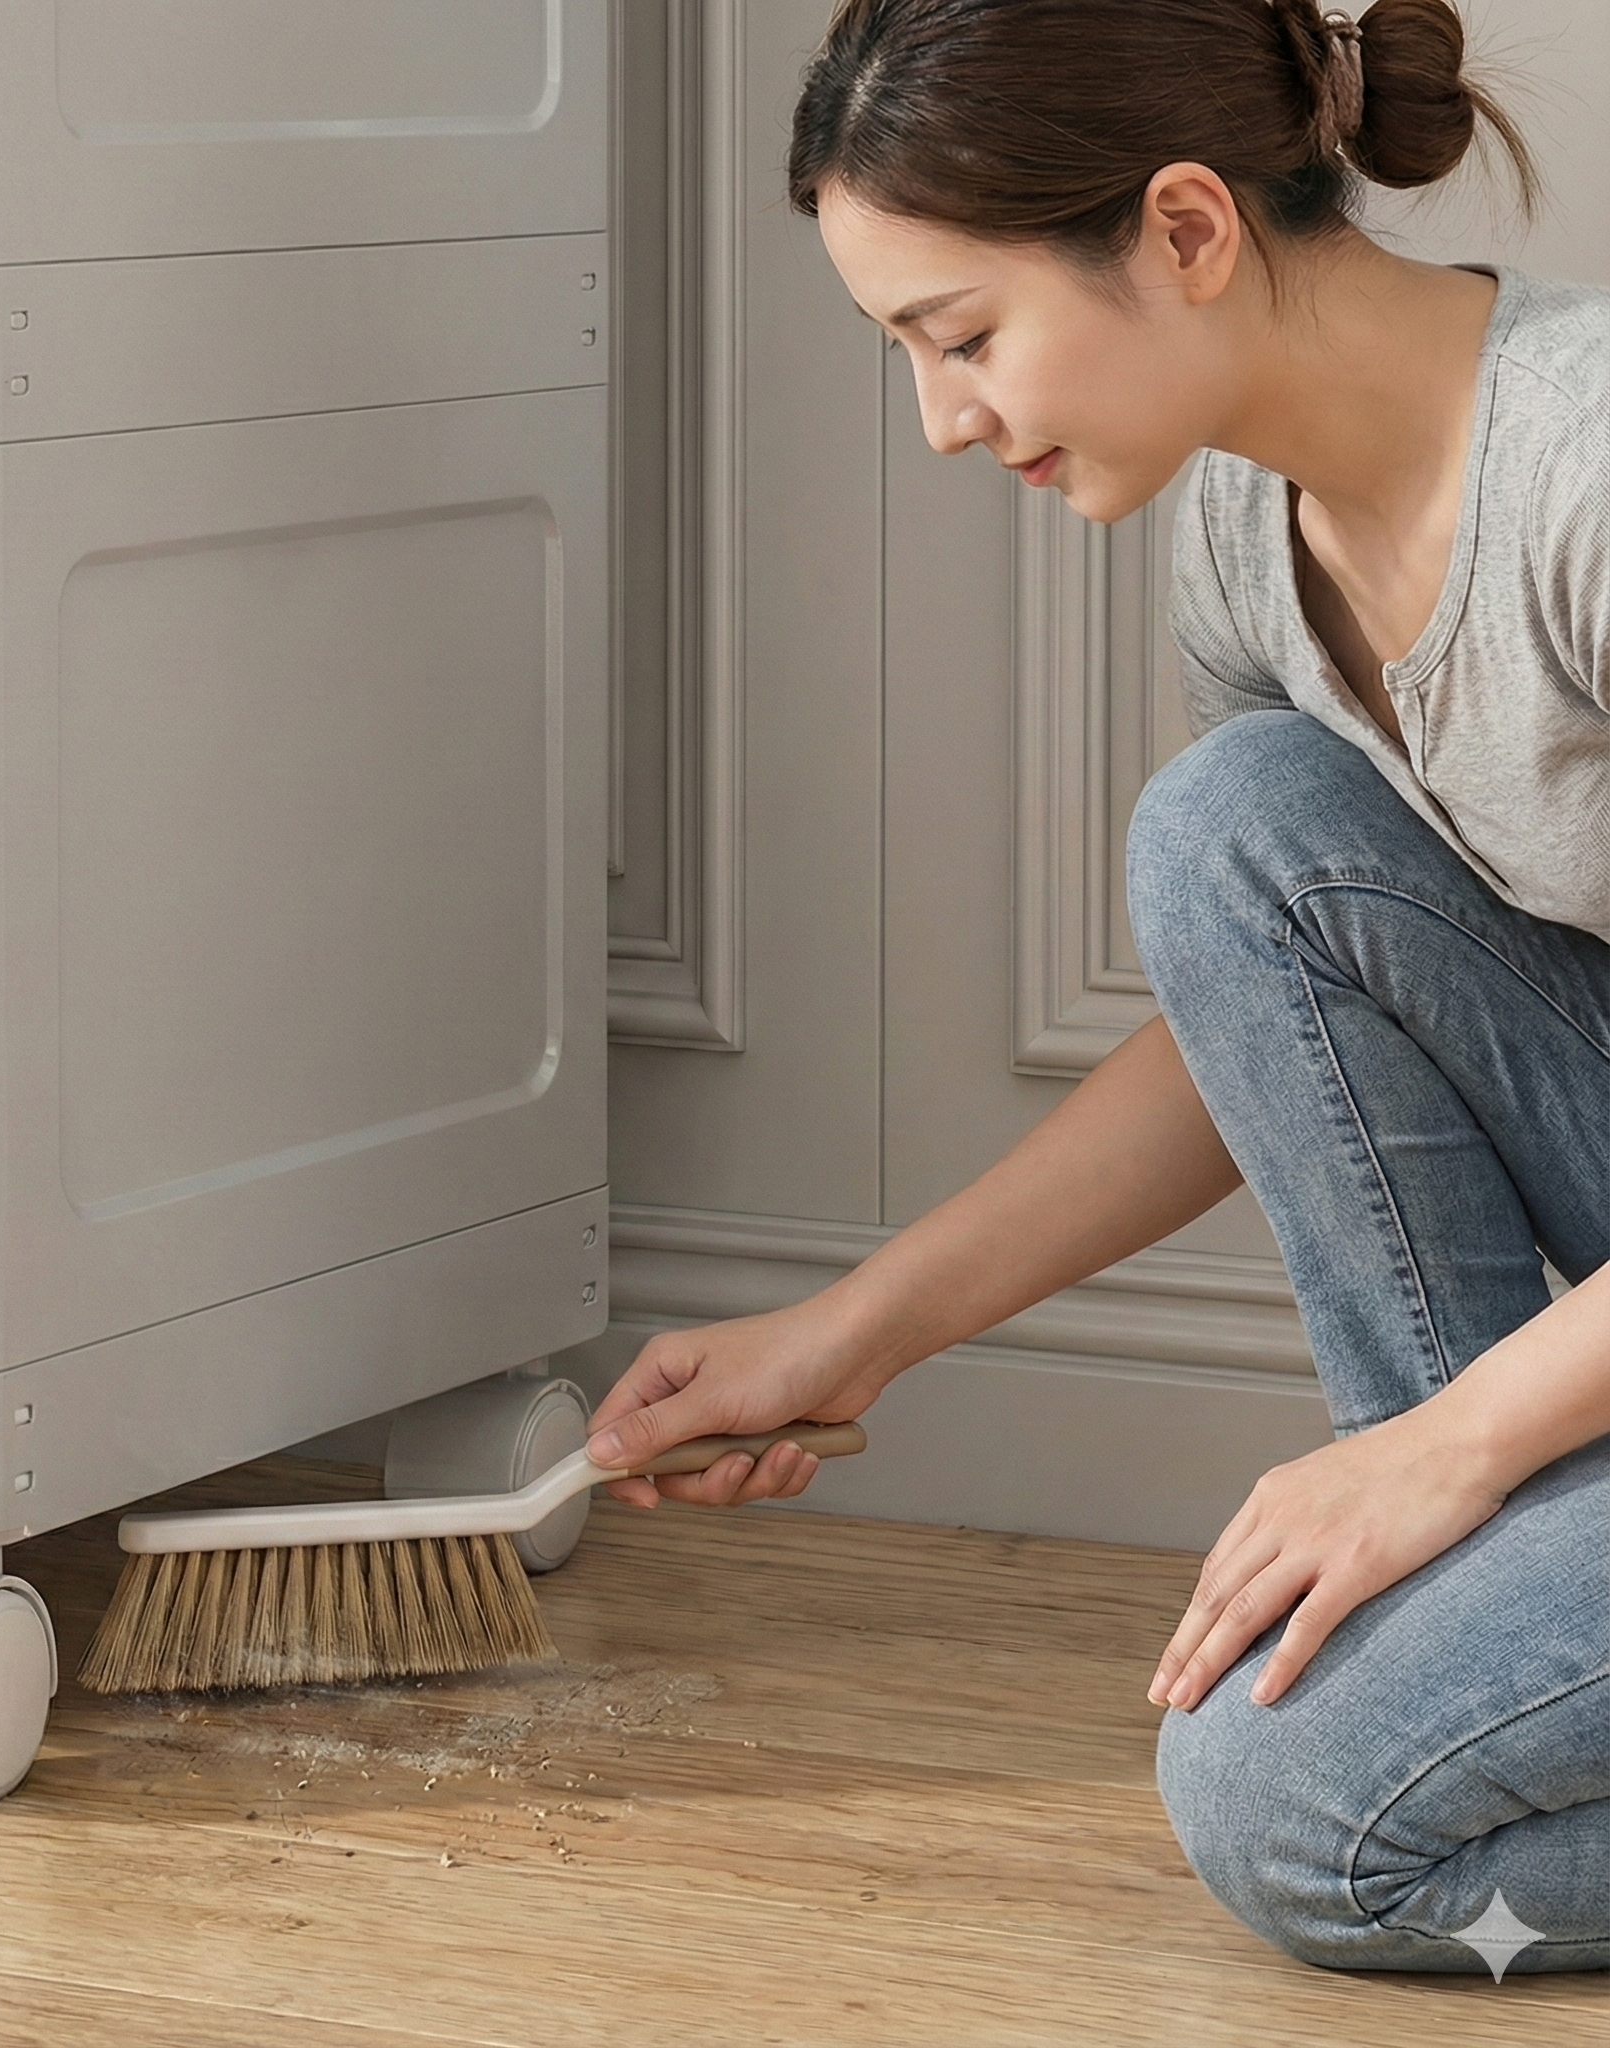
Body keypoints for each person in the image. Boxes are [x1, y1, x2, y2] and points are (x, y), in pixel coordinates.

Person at [584, 0, 1610, 1979]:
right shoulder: (1245, 524)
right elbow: (1259, 1020)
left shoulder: (1584, 484)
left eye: (959, 337)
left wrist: (1445, 1444)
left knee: (1289, 1815)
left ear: (1186, 231)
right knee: (1224, 825)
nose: (944, 419)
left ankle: (1465, 1575)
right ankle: (1472, 1601)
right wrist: (854, 1335)